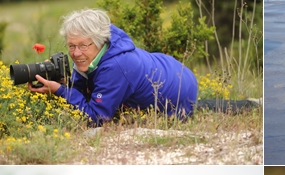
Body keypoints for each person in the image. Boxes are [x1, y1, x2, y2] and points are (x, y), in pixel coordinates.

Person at [30, 8, 198, 123]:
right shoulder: (94, 54)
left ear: (99, 42)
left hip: (180, 94)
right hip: (170, 68)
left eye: (83, 45)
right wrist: (61, 81)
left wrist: (59, 91)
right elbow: (81, 92)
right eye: (71, 46)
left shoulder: (115, 67)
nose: (76, 53)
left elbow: (97, 118)